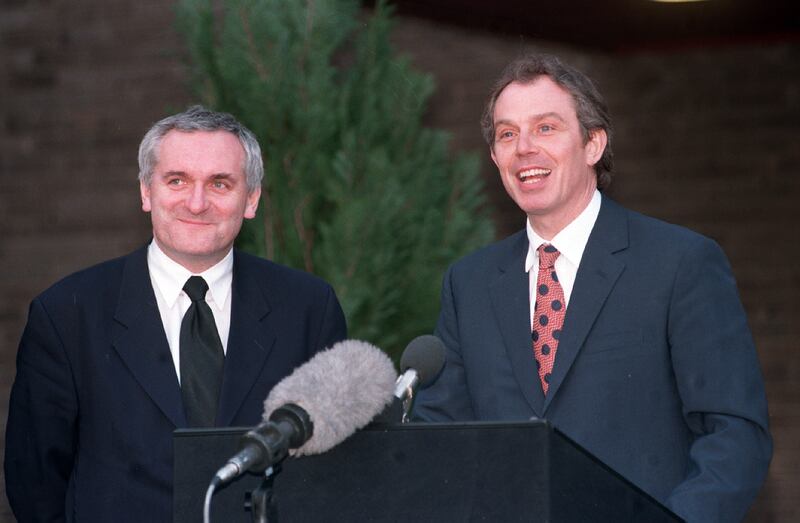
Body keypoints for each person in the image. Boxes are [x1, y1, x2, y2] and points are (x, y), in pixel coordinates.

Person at [413, 54, 772, 522]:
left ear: (593, 143)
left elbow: (735, 436)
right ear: (495, 158)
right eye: (507, 134)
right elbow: (440, 439)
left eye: (545, 128)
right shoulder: (469, 284)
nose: (524, 148)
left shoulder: (680, 263)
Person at [4, 106, 347, 522]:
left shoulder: (308, 308)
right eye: (177, 180)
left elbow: (335, 470)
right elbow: (35, 480)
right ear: (147, 192)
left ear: (251, 199)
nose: (197, 203)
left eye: (220, 183)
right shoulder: (66, 315)